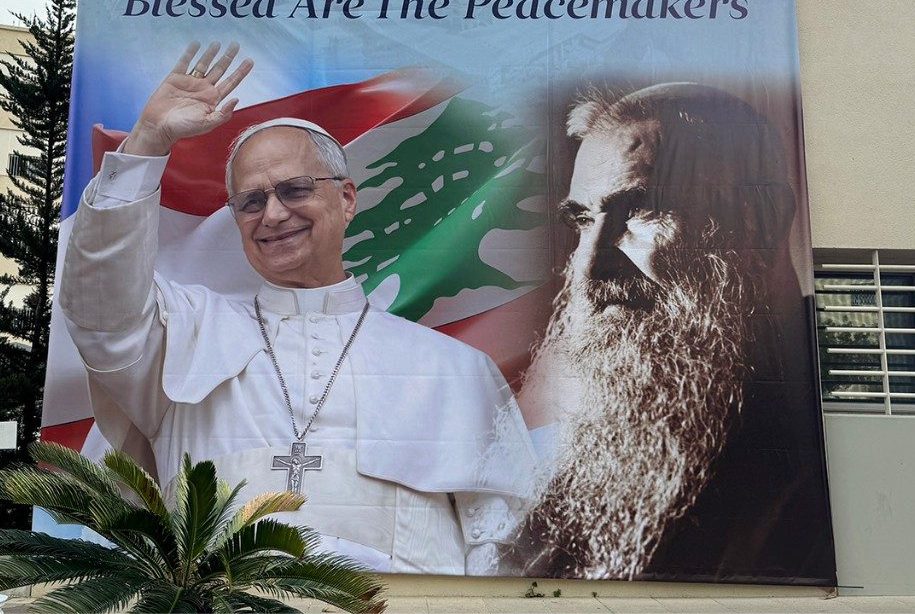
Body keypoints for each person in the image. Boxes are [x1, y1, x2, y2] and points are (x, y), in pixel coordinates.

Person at [59, 42, 535, 575]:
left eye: (295, 190)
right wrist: (146, 143)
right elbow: (100, 305)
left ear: (347, 198)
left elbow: (504, 551)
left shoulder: (456, 370)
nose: (273, 214)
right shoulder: (184, 332)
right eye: (251, 201)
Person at [505, 83, 835, 584]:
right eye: (584, 221)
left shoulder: (836, 422)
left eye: (641, 210)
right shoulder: (596, 439)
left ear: (763, 221)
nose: (589, 268)